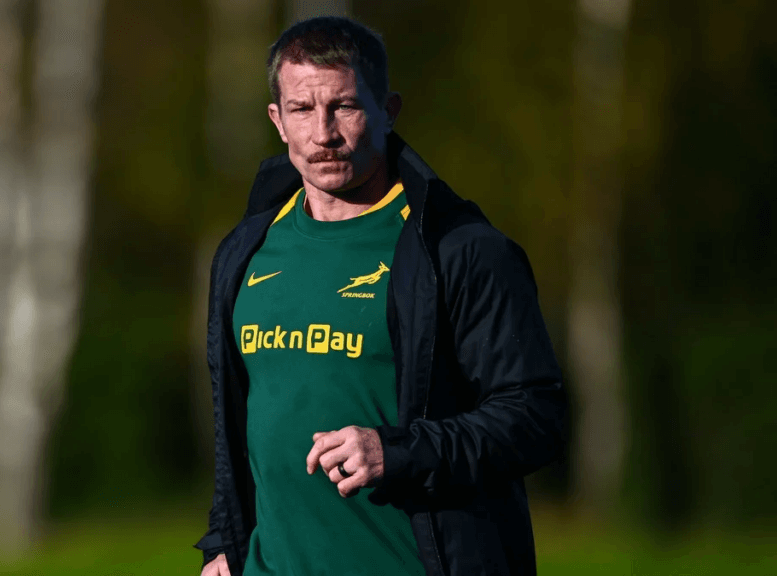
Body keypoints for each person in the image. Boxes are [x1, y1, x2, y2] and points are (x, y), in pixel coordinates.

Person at [195, 16, 567, 576]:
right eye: (301, 109)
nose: (323, 133)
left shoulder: (459, 251)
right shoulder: (246, 249)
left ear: (388, 111)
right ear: (277, 120)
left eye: (344, 107)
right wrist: (225, 542)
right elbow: (238, 425)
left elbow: (536, 419)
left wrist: (398, 452)